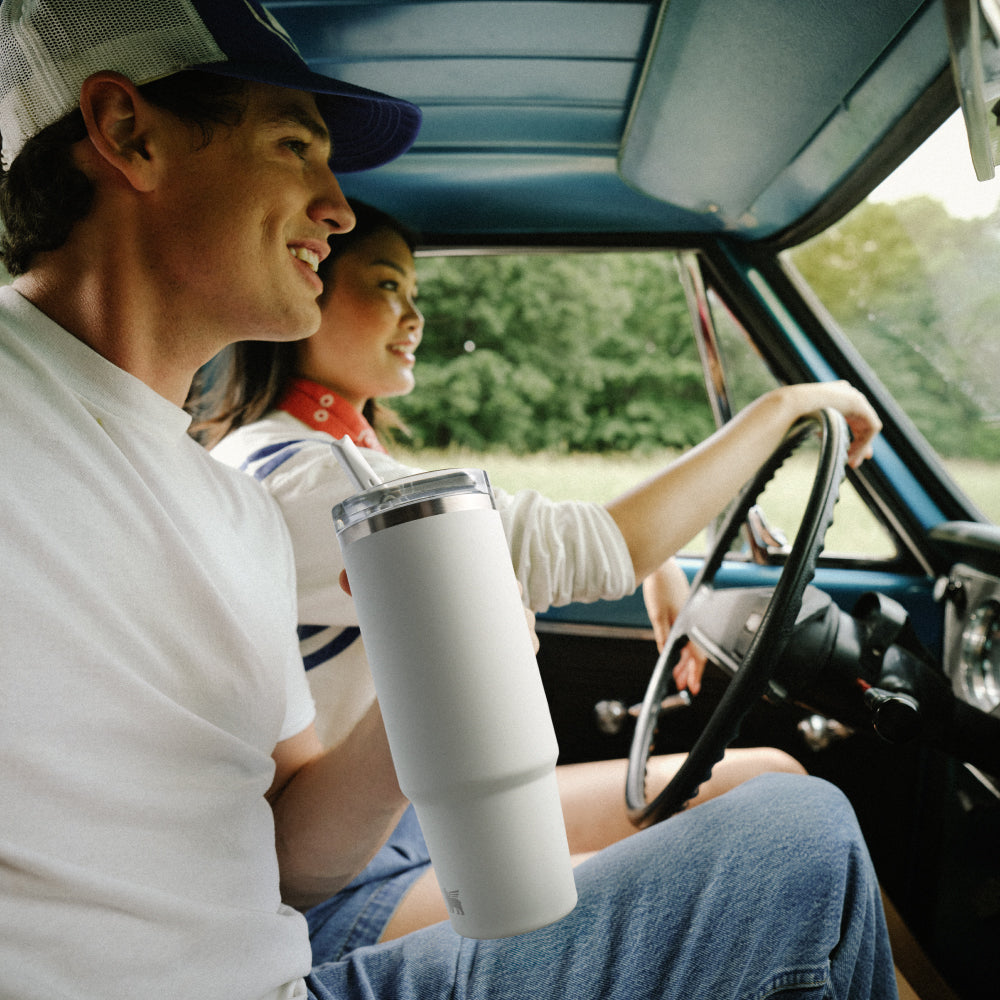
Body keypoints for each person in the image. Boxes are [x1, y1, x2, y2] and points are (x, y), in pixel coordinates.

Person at [0, 3, 899, 999]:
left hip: (281, 966)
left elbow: (290, 859)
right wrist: (777, 415)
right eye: (296, 148)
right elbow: (592, 540)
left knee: (785, 839)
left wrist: (427, 695)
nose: (338, 208)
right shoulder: (239, 464)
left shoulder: (233, 512)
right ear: (131, 134)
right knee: (792, 847)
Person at [195, 199, 820, 943]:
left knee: (776, 777)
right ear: (307, 281)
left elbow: (561, 539)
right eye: (387, 286)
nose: (414, 317)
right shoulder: (301, 475)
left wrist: (658, 568)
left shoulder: (332, 460)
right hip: (343, 880)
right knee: (783, 859)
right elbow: (592, 546)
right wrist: (786, 408)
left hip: (416, 821)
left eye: (416, 295)